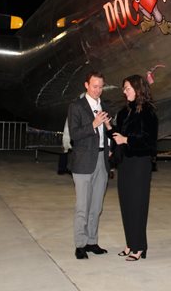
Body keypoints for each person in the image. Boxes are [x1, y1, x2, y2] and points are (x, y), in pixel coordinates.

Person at [109, 74, 158, 262]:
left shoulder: (148, 112)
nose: (124, 91)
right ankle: (130, 243)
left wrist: (127, 140)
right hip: (126, 163)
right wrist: (109, 129)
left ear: (138, 89)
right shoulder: (124, 112)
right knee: (126, 204)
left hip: (140, 163)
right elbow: (118, 136)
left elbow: (149, 142)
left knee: (138, 205)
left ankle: (139, 247)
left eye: (127, 88)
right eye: (124, 88)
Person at [67, 71, 112, 259]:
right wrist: (93, 124)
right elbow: (75, 134)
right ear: (86, 85)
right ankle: (80, 244)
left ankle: (92, 241)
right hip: (83, 162)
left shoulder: (105, 106)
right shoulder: (76, 106)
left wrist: (109, 142)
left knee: (96, 207)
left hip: (102, 160)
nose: (98, 90)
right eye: (94, 86)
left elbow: (106, 133)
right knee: (82, 207)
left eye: (101, 86)